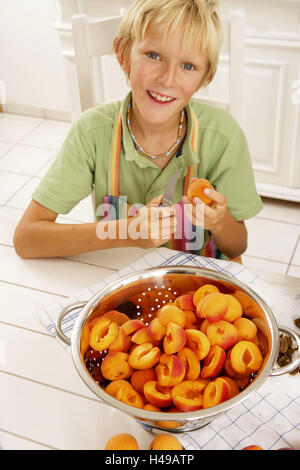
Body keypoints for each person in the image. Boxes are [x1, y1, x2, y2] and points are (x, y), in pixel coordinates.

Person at [13, 0, 263, 261]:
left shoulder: (224, 137)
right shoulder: (91, 133)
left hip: (199, 287)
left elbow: (236, 248)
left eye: (188, 66)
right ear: (123, 54)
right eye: (154, 56)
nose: (167, 79)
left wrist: (220, 222)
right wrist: (127, 232)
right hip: (119, 279)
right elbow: (26, 239)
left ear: (204, 78)